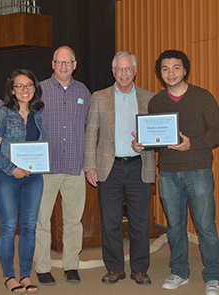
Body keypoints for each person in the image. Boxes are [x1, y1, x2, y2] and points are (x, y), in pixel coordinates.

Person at [146, 50, 219, 294]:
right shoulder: (156, 102)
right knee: (174, 227)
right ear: (160, 73)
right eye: (165, 69)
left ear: (185, 70)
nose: (171, 73)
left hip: (198, 170)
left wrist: (192, 143)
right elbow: (156, 137)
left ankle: (214, 276)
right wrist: (142, 143)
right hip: (167, 173)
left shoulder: (203, 97)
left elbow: (216, 132)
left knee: (205, 227)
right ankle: (179, 271)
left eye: (176, 68)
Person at [84, 51, 155, 285]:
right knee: (110, 221)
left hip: (139, 166)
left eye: (128, 69)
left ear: (135, 71)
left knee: (140, 222)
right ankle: (114, 268)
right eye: (119, 69)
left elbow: (155, 134)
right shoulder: (99, 97)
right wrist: (90, 166)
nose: (124, 73)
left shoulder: (149, 98)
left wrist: (147, 143)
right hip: (109, 168)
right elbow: (90, 134)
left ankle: (140, 268)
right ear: (113, 72)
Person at [34, 46, 91, 285]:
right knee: (41, 219)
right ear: (52, 64)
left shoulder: (84, 92)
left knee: (73, 220)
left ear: (75, 65)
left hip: (74, 166)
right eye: (59, 62)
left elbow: (90, 125)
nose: (63, 66)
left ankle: (71, 266)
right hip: (47, 166)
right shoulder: (39, 90)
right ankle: (43, 267)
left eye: (68, 63)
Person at [0, 69, 44, 293]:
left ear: (35, 88)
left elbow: (41, 145)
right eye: (19, 86)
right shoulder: (2, 114)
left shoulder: (39, 114)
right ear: (12, 90)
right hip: (7, 178)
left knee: (30, 227)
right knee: (9, 227)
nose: (25, 90)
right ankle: (9, 276)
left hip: (34, 177)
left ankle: (25, 275)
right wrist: (12, 169)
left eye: (29, 85)